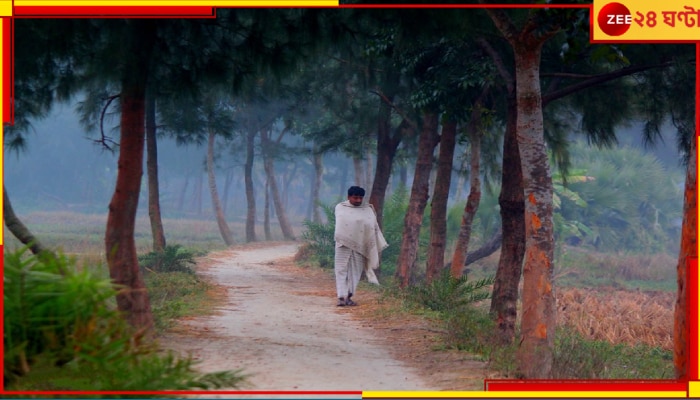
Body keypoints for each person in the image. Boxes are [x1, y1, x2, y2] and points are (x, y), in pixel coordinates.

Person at [333, 186, 388, 307]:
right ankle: (341, 297)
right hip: (343, 245)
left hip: (361, 244)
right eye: (355, 197)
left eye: (360, 198)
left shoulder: (367, 209)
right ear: (349, 197)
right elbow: (342, 224)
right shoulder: (341, 207)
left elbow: (371, 226)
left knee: (356, 272)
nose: (358, 200)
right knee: (340, 270)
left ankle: (349, 296)